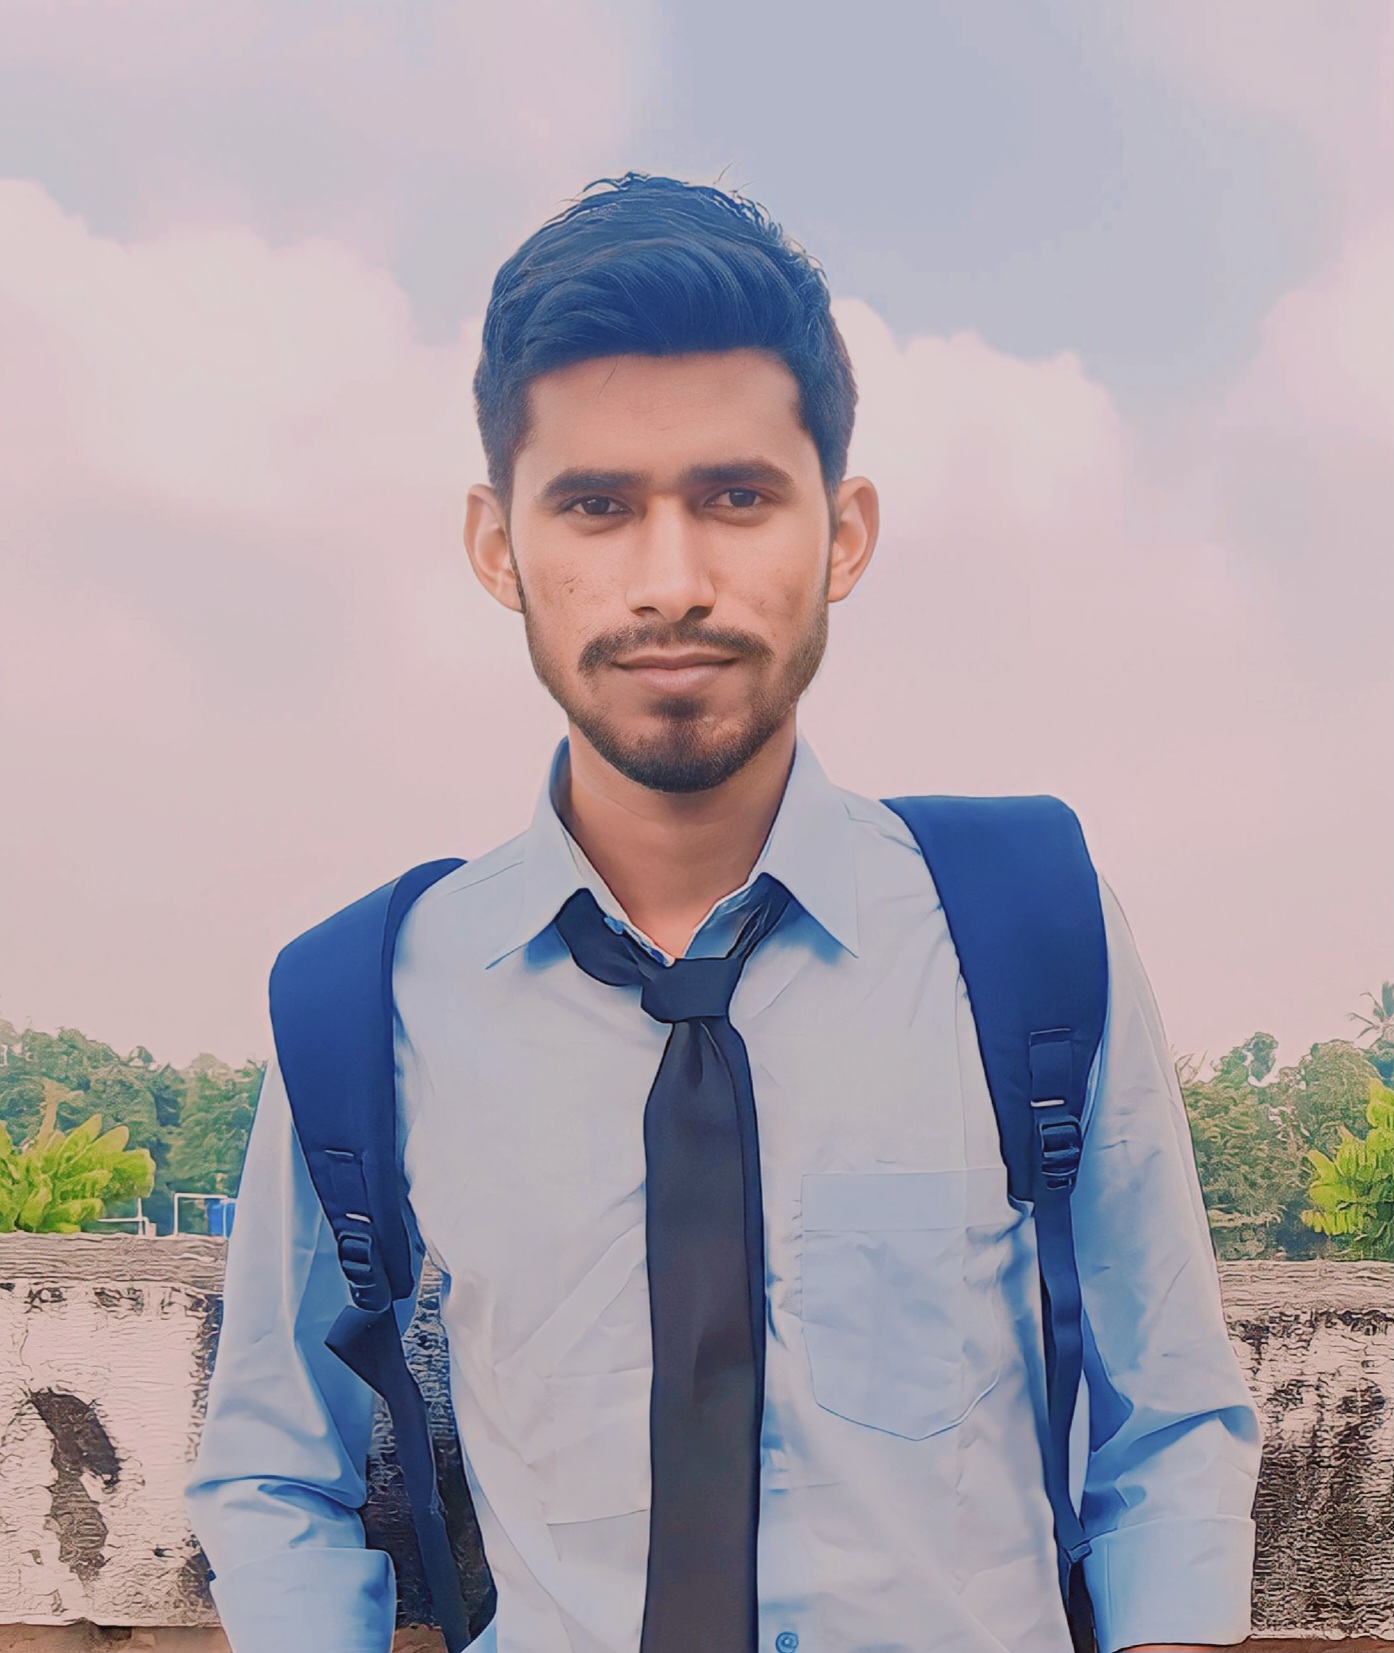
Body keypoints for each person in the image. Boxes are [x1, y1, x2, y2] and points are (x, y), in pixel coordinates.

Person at [185, 173, 1261, 1653]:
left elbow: (1169, 1421)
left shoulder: (1027, 926)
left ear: (845, 531)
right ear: (499, 546)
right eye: (597, 506)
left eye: (736, 498)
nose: (671, 581)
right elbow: (270, 1468)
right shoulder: (365, 998)